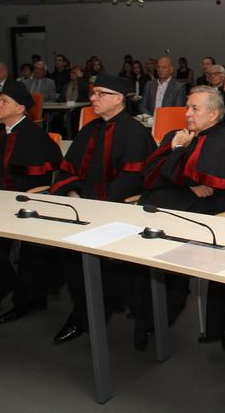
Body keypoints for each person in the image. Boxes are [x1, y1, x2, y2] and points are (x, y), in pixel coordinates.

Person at [139, 85, 225, 350]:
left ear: (213, 114)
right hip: (167, 206)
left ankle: (157, 317)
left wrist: (178, 157)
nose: (187, 113)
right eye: (187, 107)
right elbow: (151, 175)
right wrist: (183, 170)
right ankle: (144, 312)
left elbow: (208, 184)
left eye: (194, 108)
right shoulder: (177, 135)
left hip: (202, 215)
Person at [50, 73, 156, 344]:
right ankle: (84, 309)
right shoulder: (89, 130)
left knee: (104, 260)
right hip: (83, 206)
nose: (92, 98)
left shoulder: (134, 133)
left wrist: (100, 206)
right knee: (67, 253)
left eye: (100, 93)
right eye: (93, 92)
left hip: (120, 210)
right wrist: (73, 194)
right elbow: (69, 170)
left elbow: (132, 179)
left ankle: (87, 316)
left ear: (118, 99)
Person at [0, 82, 61, 322]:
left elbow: (38, 179)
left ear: (20, 108)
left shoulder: (35, 136)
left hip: (22, 203)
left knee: (13, 244)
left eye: (4, 101)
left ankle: (24, 297)